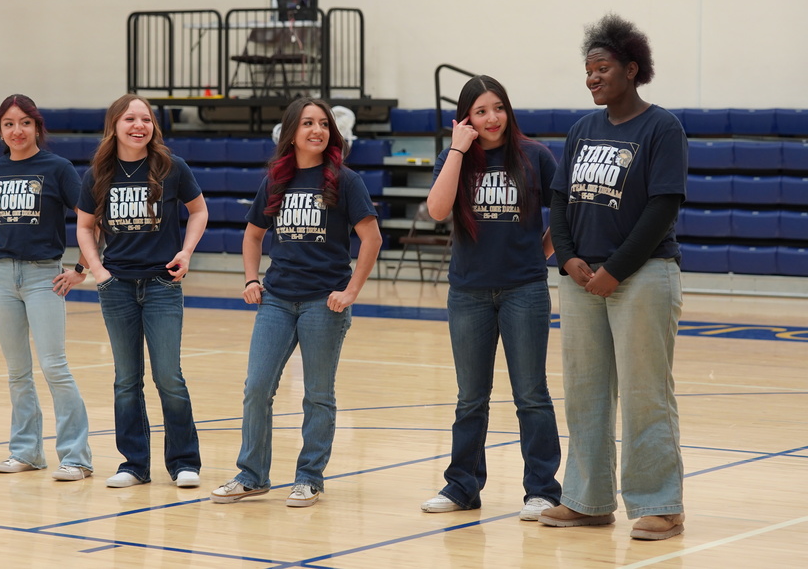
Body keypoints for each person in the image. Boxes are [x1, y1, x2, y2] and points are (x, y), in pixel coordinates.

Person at [538, 14, 687, 540]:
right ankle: (587, 499)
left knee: (646, 394)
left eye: (602, 68)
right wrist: (569, 259)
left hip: (642, 276)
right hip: (582, 281)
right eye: (588, 70)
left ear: (632, 68)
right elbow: (560, 199)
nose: (593, 78)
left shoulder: (661, 127)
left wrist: (615, 270)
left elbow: (662, 207)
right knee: (584, 393)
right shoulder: (582, 130)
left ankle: (661, 505)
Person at [211, 97, 383, 508]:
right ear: (292, 132)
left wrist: (351, 291)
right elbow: (253, 235)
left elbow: (371, 238)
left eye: (323, 124)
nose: (317, 130)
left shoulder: (345, 180)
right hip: (277, 299)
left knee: (318, 395)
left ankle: (309, 478)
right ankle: (252, 476)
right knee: (256, 388)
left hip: (324, 304)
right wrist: (252, 278)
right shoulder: (276, 180)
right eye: (307, 123)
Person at [420, 75, 563, 520]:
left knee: (531, 395)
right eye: (480, 111)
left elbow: (565, 214)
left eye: (498, 108)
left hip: (525, 290)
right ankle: (462, 486)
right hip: (469, 292)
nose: (492, 118)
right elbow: (438, 210)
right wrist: (459, 150)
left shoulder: (535, 156)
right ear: (467, 117)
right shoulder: (455, 157)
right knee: (470, 398)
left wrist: (538, 254)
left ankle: (542, 490)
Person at [76, 94, 208, 489]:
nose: (139, 126)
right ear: (114, 125)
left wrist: (185, 252)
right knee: (126, 380)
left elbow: (199, 211)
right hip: (116, 287)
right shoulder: (98, 173)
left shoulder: (172, 167)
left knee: (169, 376)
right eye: (130, 119)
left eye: (146, 119)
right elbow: (84, 226)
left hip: (162, 285)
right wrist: (97, 271)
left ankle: (184, 462)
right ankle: (134, 464)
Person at [0, 94, 94, 481]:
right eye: (9, 124)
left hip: (43, 275)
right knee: (16, 371)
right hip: (1, 276)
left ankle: (77, 456)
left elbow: (90, 219)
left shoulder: (57, 168)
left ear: (37, 127)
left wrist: (80, 268)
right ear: (0, 129)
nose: (17, 130)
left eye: (24, 123)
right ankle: (26, 451)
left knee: (54, 367)